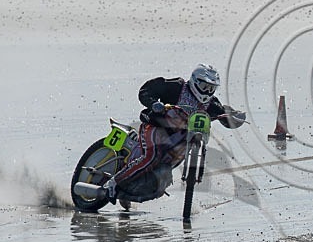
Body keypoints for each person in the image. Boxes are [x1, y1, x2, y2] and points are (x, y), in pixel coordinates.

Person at [103, 63, 244, 203]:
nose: (207, 92)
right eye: (204, 87)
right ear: (195, 81)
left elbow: (224, 114)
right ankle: (113, 182)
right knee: (152, 156)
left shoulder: (211, 104)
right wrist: (153, 104)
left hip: (179, 140)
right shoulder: (177, 87)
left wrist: (235, 117)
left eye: (211, 88)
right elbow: (147, 90)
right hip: (156, 127)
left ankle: (133, 187)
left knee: (165, 170)